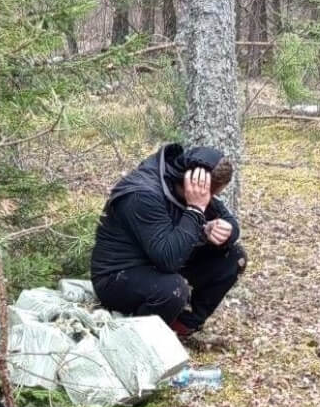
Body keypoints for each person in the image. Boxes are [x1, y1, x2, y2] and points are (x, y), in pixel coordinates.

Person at [90, 143, 246, 338]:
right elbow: (168, 259)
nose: (212, 199)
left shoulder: (188, 183)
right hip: (117, 276)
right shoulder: (142, 194)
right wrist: (196, 210)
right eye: (212, 195)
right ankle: (138, 339)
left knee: (233, 256)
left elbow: (230, 223)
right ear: (197, 184)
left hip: (158, 265)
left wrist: (223, 231)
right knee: (173, 288)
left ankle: (181, 327)